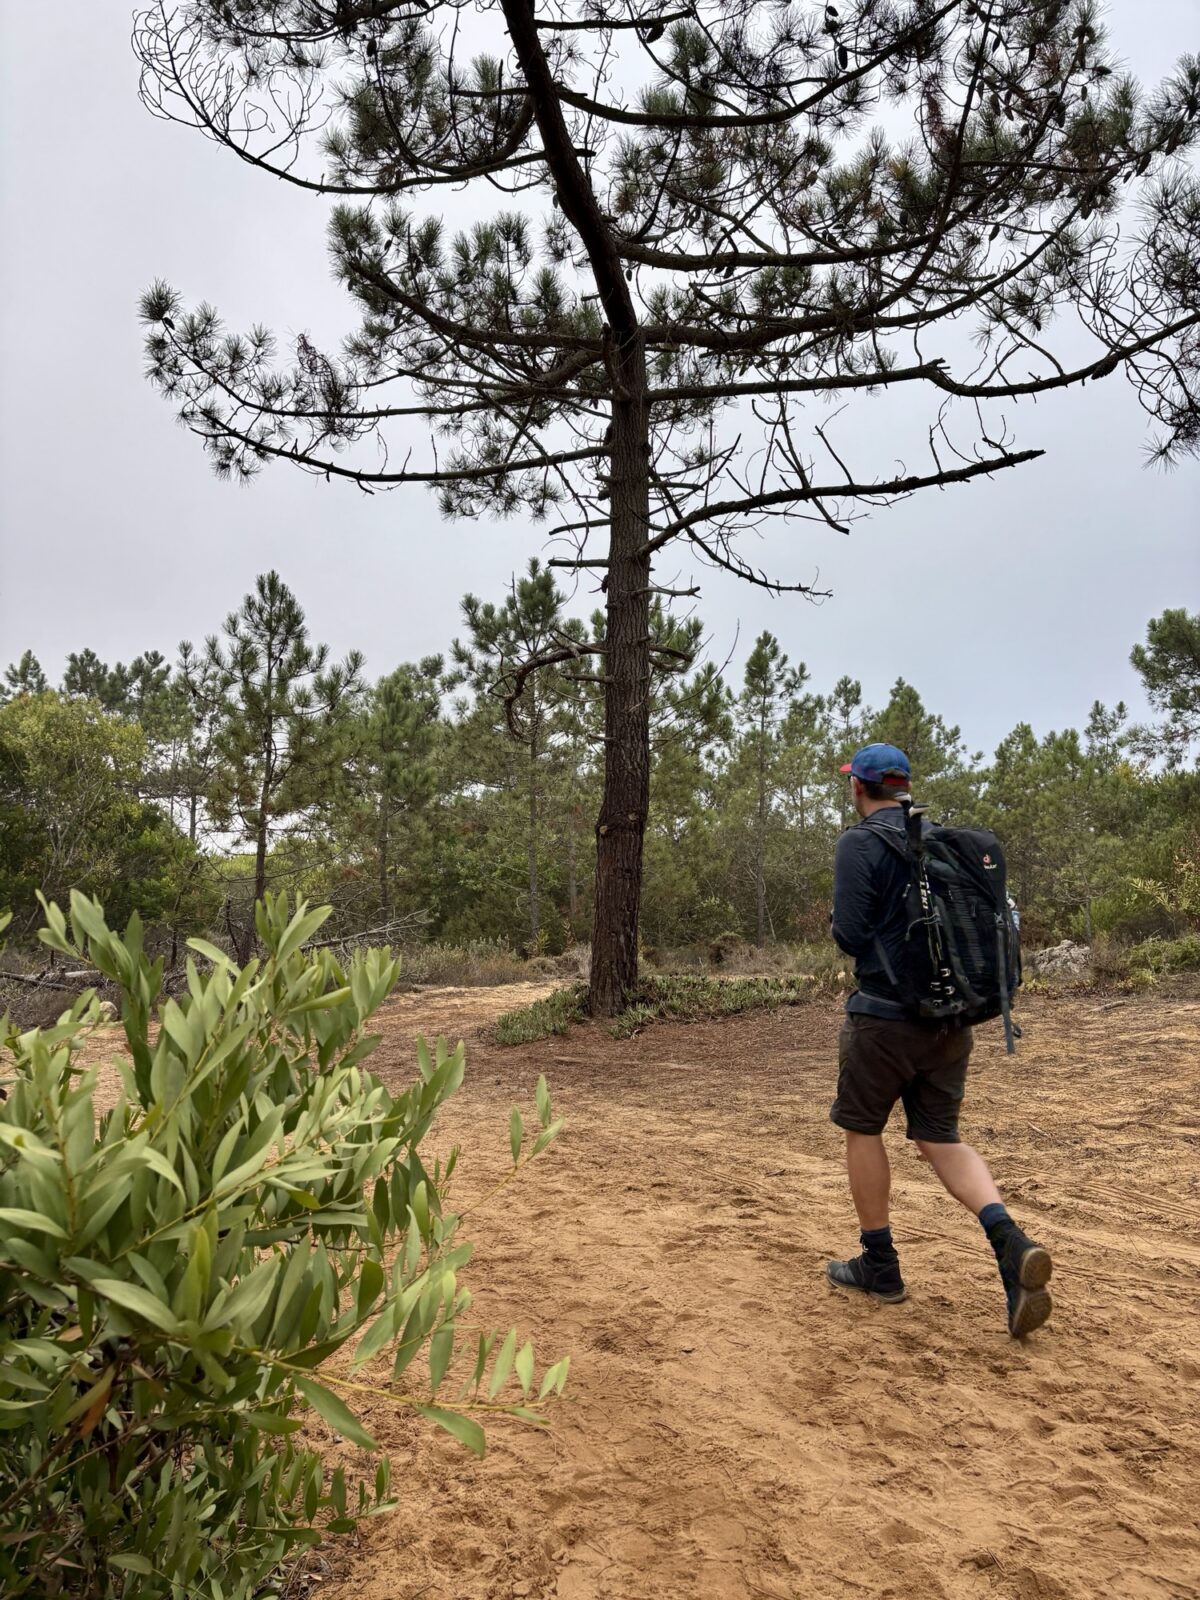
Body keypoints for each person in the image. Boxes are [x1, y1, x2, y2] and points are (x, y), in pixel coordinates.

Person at [824, 742, 1052, 1338]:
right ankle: (1009, 1241)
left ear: (860, 788)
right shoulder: (941, 844)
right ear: (903, 787)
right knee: (939, 1138)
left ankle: (881, 1265)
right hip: (952, 1022)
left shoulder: (861, 843)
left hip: (883, 1021)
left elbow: (849, 935)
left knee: (862, 1128)